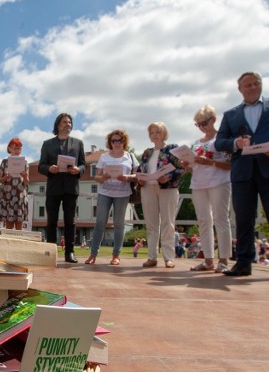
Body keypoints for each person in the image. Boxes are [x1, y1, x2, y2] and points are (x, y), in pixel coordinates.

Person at [215, 71, 269, 281]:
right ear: (240, 89)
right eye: (248, 85)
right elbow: (220, 142)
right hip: (243, 172)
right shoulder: (231, 114)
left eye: (256, 83)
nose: (253, 87)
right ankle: (244, 263)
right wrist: (236, 143)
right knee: (244, 219)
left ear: (261, 85)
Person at [180, 105, 233, 273]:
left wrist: (210, 162)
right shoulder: (197, 142)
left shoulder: (223, 139)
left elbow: (230, 165)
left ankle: (223, 260)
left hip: (219, 181)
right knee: (203, 220)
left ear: (213, 120)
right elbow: (194, 165)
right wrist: (187, 165)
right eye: (198, 124)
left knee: (221, 219)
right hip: (198, 183)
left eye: (203, 123)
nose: (201, 127)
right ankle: (208, 259)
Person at [84, 129, 138, 265]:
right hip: (105, 193)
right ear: (110, 142)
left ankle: (116, 255)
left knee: (119, 224)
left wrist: (128, 177)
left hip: (123, 193)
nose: (117, 143)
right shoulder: (104, 157)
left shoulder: (130, 156)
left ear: (124, 142)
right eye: (114, 141)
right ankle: (93, 254)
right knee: (100, 223)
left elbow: (137, 175)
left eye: (120, 140)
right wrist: (103, 177)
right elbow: (96, 176)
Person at [38, 113, 86, 263]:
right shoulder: (47, 144)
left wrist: (79, 170)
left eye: (70, 122)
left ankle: (69, 253)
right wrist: (49, 169)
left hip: (71, 188)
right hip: (54, 187)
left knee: (70, 222)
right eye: (64, 122)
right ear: (58, 125)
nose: (68, 124)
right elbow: (41, 166)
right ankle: (50, 253)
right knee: (51, 221)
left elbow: (83, 164)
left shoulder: (78, 143)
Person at [136, 122, 184, 268]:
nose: (154, 135)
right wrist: (139, 179)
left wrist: (168, 177)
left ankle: (169, 258)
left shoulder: (172, 149)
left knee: (167, 223)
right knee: (151, 224)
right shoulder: (147, 152)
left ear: (164, 133)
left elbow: (182, 169)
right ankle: (152, 257)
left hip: (167, 188)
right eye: (152, 132)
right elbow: (140, 169)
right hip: (148, 189)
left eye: (157, 132)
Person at [0, 138, 29, 230]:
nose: (17, 151)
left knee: (19, 226)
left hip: (20, 196)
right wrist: (5, 177)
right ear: (9, 149)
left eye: (19, 148)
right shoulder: (4, 162)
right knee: (9, 226)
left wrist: (25, 176)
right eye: (15, 148)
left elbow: (27, 182)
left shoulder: (25, 163)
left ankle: (19, 243)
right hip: (8, 196)